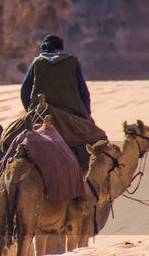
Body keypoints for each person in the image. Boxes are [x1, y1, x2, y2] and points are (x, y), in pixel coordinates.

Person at [19, 34, 103, 166]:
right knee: (100, 138)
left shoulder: (37, 62)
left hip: (40, 114)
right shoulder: (72, 62)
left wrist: (30, 111)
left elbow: (24, 91)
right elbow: (84, 93)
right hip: (71, 116)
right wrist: (86, 115)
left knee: (7, 139)